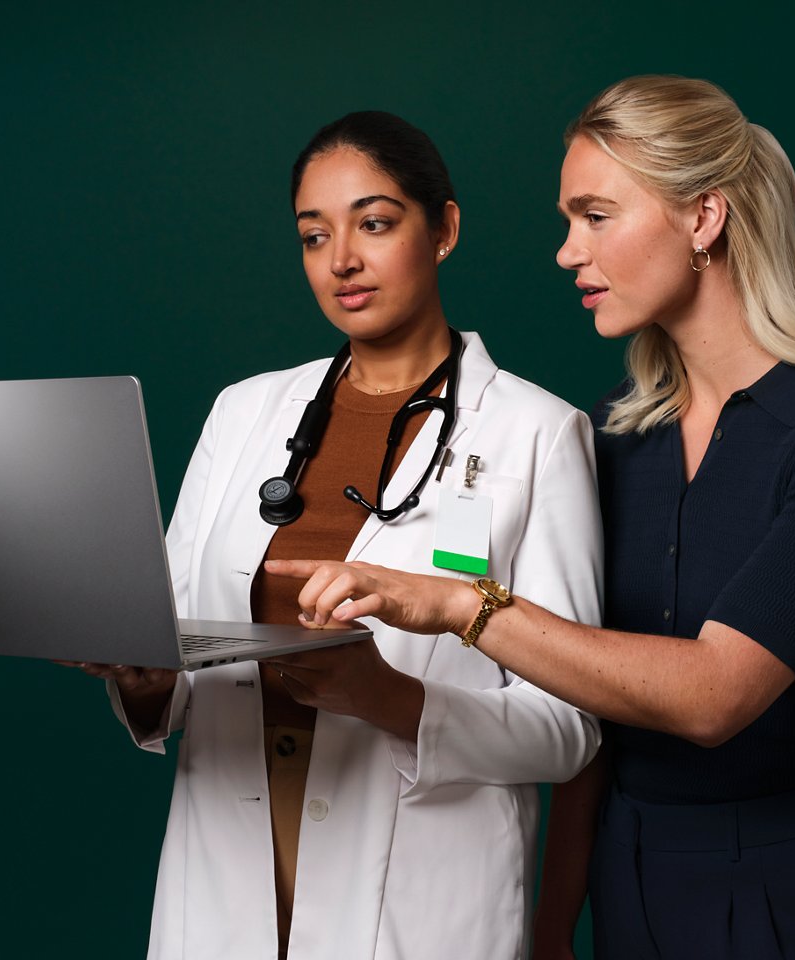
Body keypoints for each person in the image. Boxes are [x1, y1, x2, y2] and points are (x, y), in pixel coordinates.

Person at [269, 77, 795, 960]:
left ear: (703, 218)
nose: (566, 251)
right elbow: (592, 710)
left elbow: (713, 696)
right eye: (566, 221)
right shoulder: (618, 435)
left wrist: (458, 604)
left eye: (594, 216)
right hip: (630, 882)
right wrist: (552, 927)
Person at [67, 111, 603, 960]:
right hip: (226, 866)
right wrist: (137, 674)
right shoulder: (242, 413)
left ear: (445, 230)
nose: (341, 259)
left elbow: (568, 729)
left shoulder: (538, 435)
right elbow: (173, 664)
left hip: (417, 887)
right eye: (314, 236)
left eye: (375, 224)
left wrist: (388, 695)